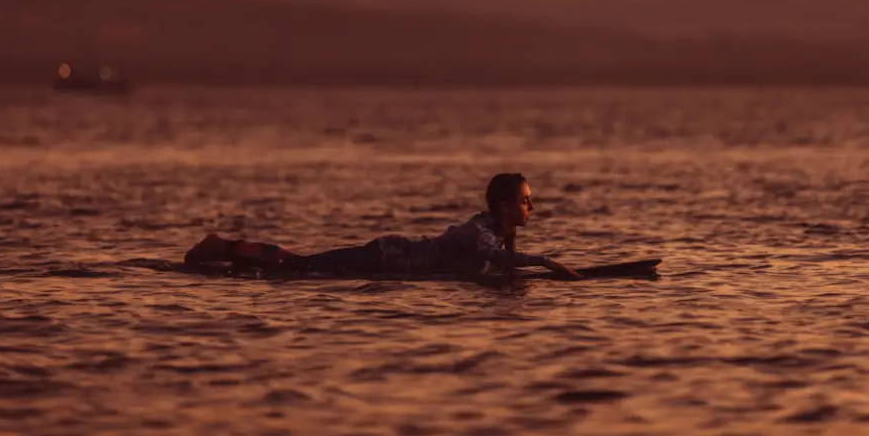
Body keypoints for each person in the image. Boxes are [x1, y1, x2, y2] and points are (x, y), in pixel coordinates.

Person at [181, 172, 583, 279]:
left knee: (296, 267)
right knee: (297, 267)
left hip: (391, 257)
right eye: (526, 200)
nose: (532, 206)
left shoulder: (497, 230)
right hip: (385, 257)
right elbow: (489, 256)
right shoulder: (479, 233)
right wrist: (546, 263)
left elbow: (500, 260)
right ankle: (224, 245)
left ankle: (236, 258)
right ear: (504, 206)